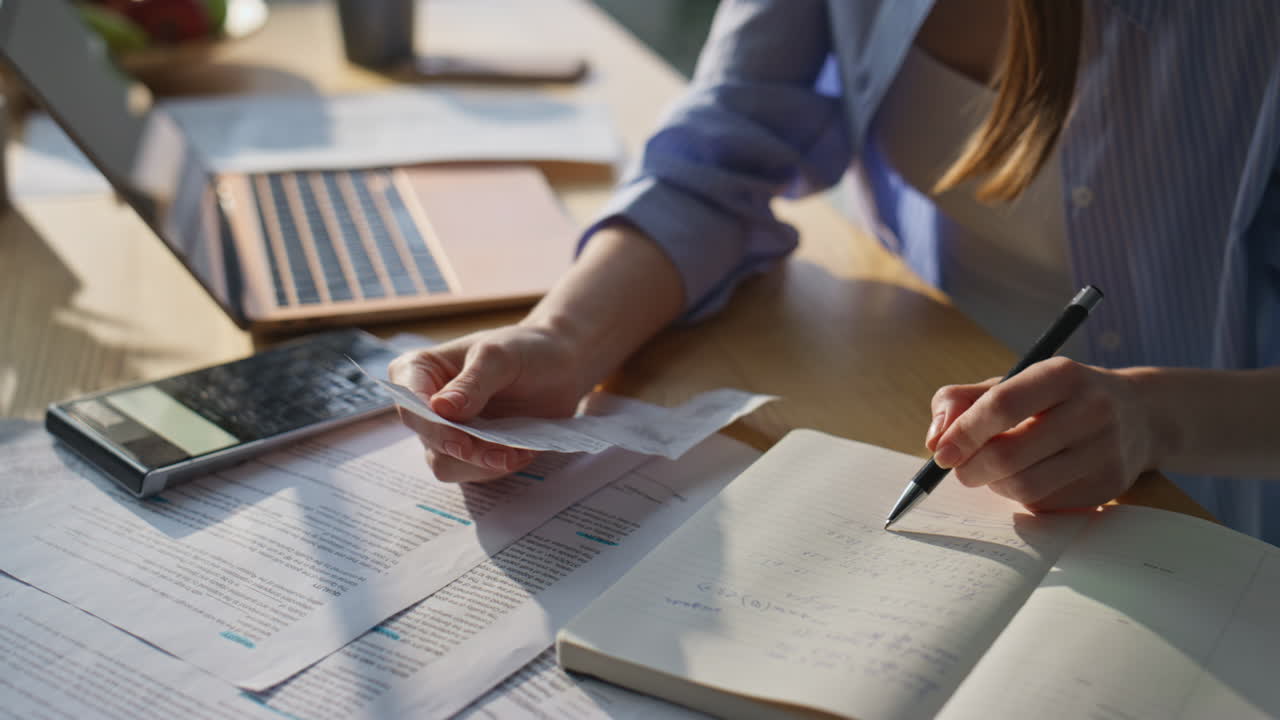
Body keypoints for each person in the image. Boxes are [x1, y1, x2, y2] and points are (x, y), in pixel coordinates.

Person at [389, 0, 1280, 543]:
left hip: (1215, 514)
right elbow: (724, 148)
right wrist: (560, 337)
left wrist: (1154, 417)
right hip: (915, 406)